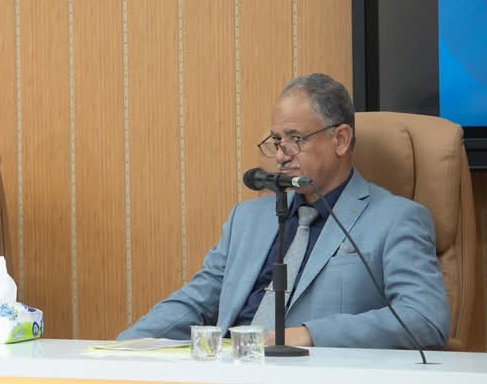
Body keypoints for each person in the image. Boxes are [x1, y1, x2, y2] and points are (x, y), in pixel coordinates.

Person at [119, 73, 449, 349]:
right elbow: (196, 302)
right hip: (226, 376)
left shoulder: (396, 219)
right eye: (277, 141)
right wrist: (119, 349)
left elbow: (425, 318)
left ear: (340, 140)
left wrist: (307, 335)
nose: (280, 155)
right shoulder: (246, 219)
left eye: (296, 139)